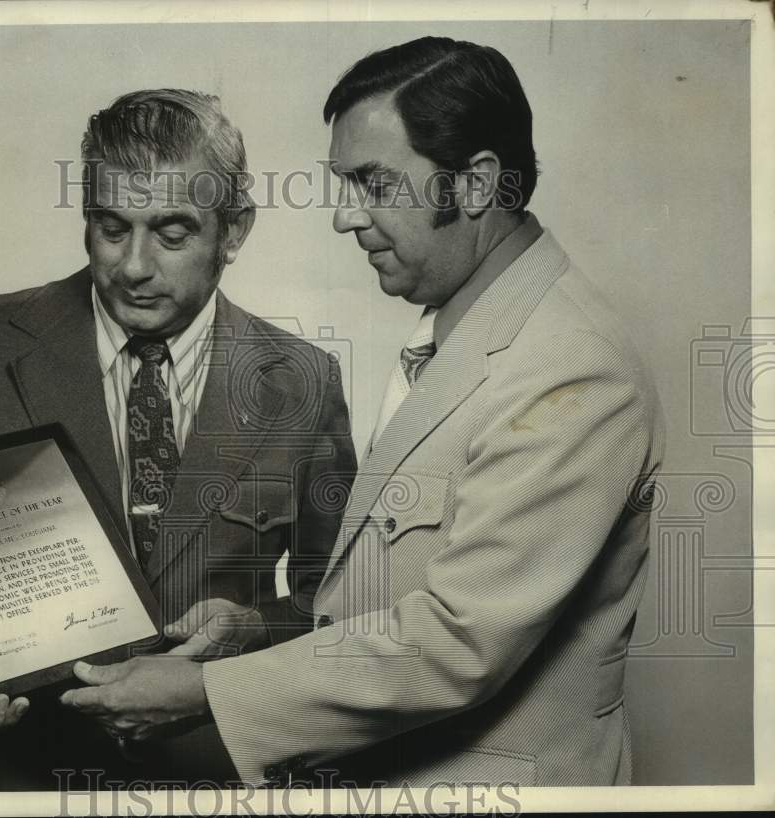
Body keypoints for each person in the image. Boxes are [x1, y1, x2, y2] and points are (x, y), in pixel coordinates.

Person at [59, 38, 665, 787]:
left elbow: (457, 643)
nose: (347, 219)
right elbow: (378, 595)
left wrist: (208, 692)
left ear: (475, 184)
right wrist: (251, 629)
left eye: (374, 185)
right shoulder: (468, 331)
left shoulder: (570, 364)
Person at [0, 89, 357, 791]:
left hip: (209, 778)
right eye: (110, 227)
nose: (133, 266)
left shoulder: (303, 379)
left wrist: (250, 628)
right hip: (9, 780)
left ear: (234, 230)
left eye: (173, 233)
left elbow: (343, 602)